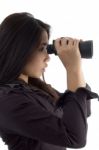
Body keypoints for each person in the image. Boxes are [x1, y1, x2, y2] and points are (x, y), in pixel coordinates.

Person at [0, 12, 98, 150]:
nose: (48, 57)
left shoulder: (35, 89)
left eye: (47, 49)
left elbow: (82, 112)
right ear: (19, 50)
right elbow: (75, 137)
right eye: (42, 48)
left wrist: (76, 63)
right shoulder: (7, 100)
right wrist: (73, 69)